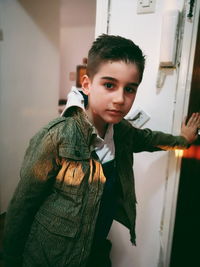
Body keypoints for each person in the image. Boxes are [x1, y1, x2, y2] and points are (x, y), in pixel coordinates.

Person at [3, 34, 200, 267]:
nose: (120, 99)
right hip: (51, 257)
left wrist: (183, 140)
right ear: (87, 84)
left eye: (130, 89)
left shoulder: (121, 131)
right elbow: (22, 207)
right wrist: (9, 260)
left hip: (95, 250)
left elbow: (150, 139)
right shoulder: (55, 137)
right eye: (109, 85)